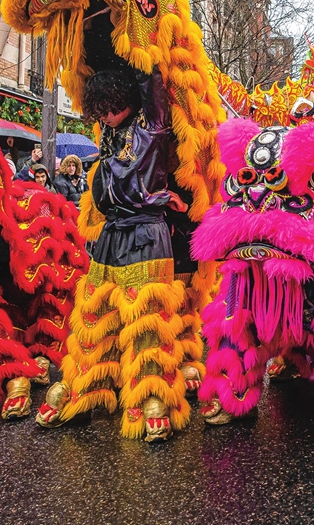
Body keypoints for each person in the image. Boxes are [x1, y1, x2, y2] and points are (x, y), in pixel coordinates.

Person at [38, 67, 201, 442]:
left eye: (112, 106)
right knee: (95, 312)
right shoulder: (110, 133)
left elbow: (152, 80)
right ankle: (86, 385)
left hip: (146, 230)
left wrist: (138, 36)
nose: (107, 115)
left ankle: (153, 395)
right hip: (112, 231)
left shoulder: (152, 126)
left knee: (147, 315)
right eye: (101, 110)